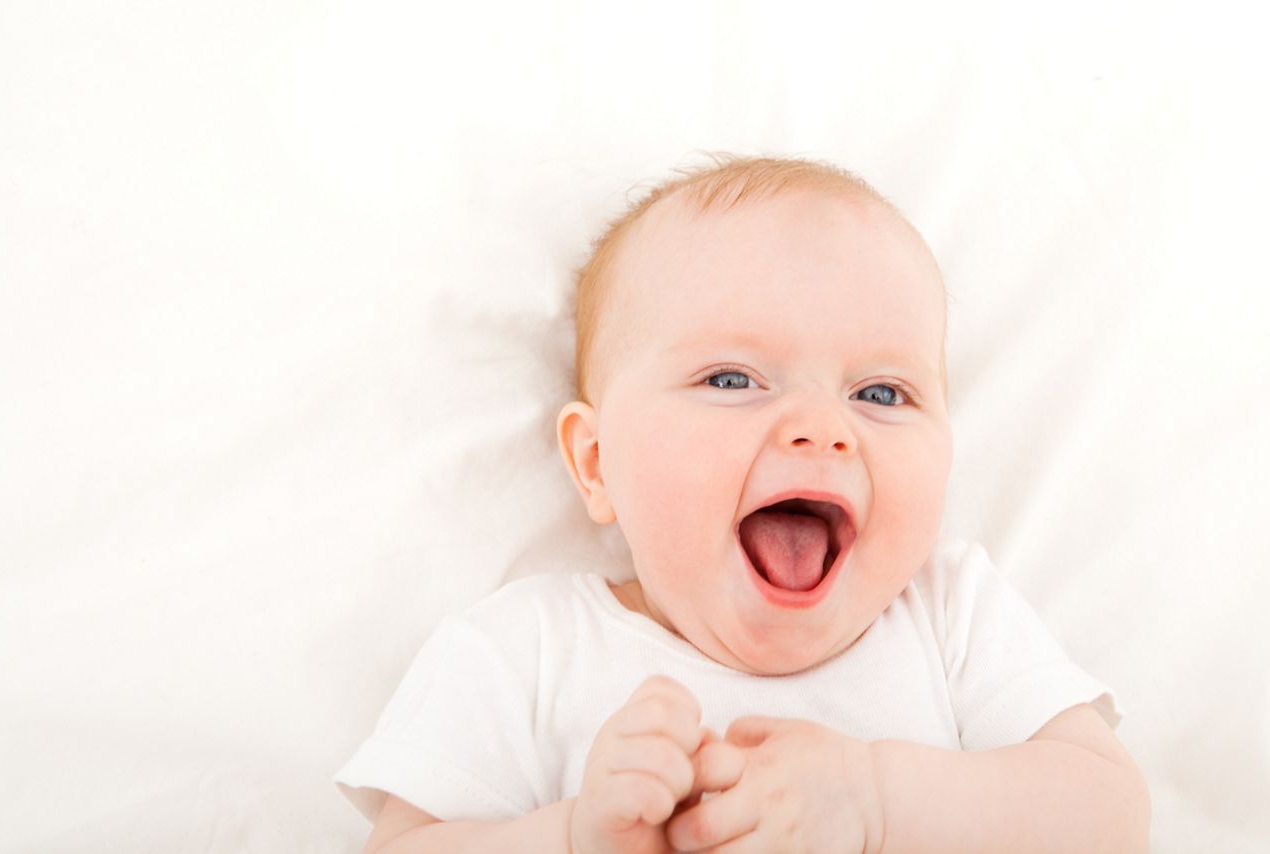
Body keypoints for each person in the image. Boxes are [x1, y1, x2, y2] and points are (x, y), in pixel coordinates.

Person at [334, 154, 1151, 853]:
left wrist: (878, 802)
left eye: (880, 391)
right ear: (596, 464)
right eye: (732, 380)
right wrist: (573, 834)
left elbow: (1111, 815)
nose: (822, 429)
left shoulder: (949, 615)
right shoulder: (525, 651)